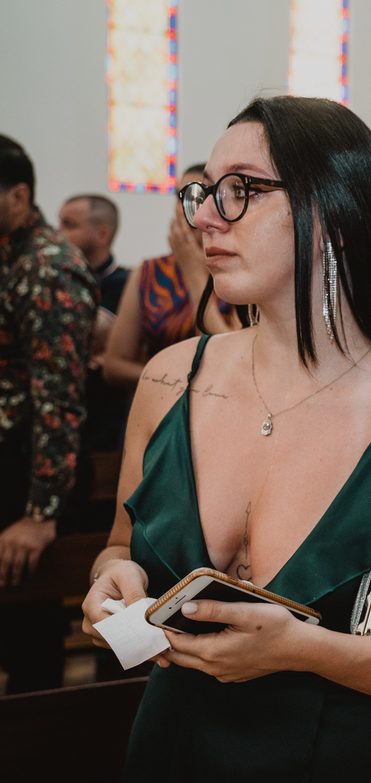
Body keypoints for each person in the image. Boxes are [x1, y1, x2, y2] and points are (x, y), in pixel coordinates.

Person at [81, 97, 371, 779]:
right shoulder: (170, 380)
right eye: (201, 194)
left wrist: (306, 649)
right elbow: (120, 546)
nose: (205, 219)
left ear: (332, 212)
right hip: (174, 748)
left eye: (240, 191)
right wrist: (113, 581)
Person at [0, 135, 96, 693]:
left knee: (28, 641)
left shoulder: (47, 267)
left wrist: (41, 512)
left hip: (25, 476)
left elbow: (57, 398)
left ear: (17, 195)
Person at [103, 164, 240, 393]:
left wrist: (195, 275)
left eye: (201, 196)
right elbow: (114, 366)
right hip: (157, 400)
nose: (190, 207)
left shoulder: (238, 270)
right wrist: (178, 380)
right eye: (182, 196)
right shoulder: (150, 271)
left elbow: (231, 358)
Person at [59, 194, 131, 452]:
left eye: (69, 225)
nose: (58, 234)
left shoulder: (123, 283)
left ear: (102, 235)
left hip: (102, 425)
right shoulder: (60, 280)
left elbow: (91, 332)